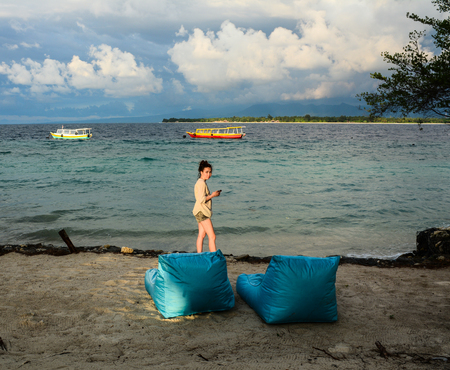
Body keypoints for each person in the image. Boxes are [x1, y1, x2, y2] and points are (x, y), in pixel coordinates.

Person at [193, 160, 222, 253]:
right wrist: (213, 195)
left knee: (201, 235)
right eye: (206, 172)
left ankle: (199, 256)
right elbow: (201, 199)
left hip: (198, 211)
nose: (208, 174)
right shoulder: (201, 183)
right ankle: (214, 258)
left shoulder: (200, 182)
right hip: (202, 212)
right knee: (212, 236)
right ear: (201, 172)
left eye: (210, 172)